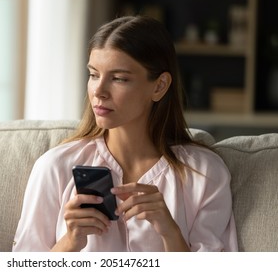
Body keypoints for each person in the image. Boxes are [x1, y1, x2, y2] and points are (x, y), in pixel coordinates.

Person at [12, 16, 238, 252]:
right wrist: (69, 242)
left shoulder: (204, 173)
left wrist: (170, 232)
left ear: (159, 86)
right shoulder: (55, 167)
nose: (99, 91)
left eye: (119, 78)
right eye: (93, 74)